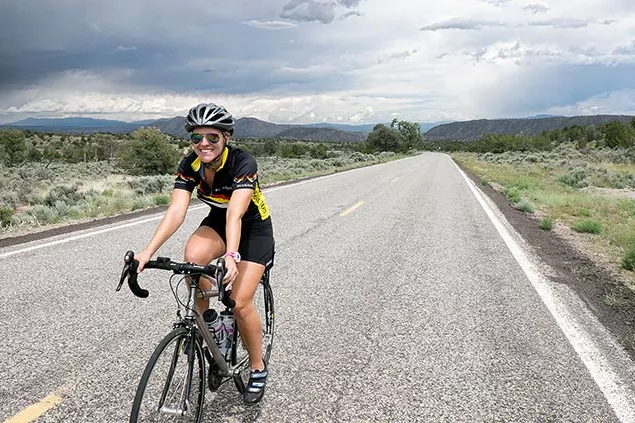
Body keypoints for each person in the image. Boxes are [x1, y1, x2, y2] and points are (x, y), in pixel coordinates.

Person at [134, 102, 275, 404]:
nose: (203, 144)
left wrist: (232, 257)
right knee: (192, 261)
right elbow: (175, 212)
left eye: (212, 137)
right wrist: (147, 251)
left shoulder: (242, 162)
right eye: (196, 138)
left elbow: (236, 214)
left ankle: (257, 365)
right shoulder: (190, 165)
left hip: (252, 228)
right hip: (217, 223)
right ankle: (213, 324)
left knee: (239, 302)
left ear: (226, 137)